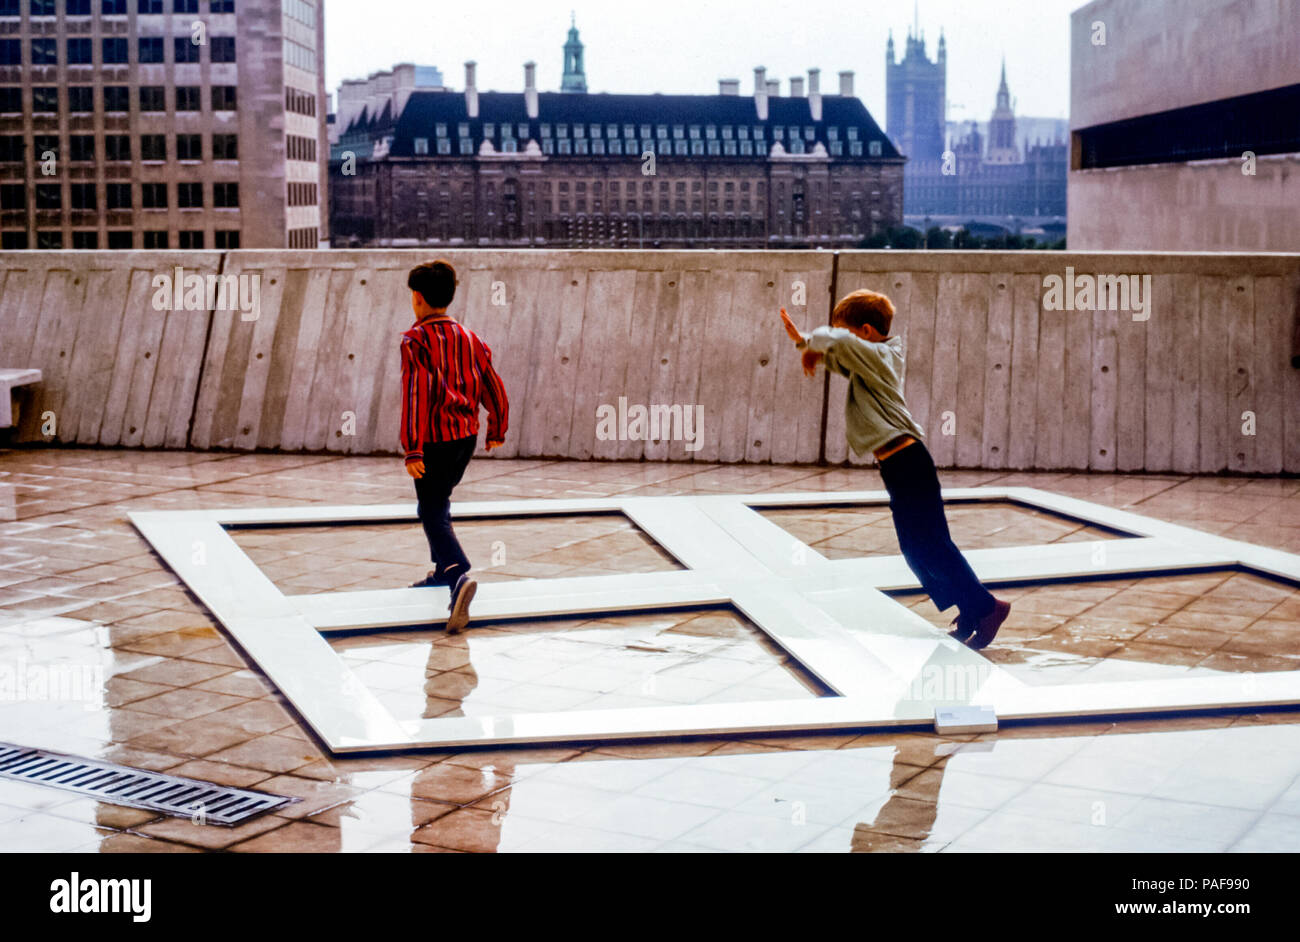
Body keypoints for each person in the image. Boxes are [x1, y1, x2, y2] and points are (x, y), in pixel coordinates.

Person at [781, 292, 1010, 649]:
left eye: (850, 332)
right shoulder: (873, 359)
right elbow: (842, 358)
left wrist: (810, 341)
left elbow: (839, 342)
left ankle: (987, 608)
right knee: (915, 549)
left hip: (909, 463)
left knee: (932, 545)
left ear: (868, 331)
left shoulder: (882, 357)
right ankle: (970, 609)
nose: (845, 339)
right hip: (898, 467)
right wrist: (807, 348)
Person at [400, 260, 508, 633]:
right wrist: (497, 425)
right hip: (466, 439)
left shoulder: (416, 342)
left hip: (433, 440)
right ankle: (439, 571)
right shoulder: (471, 337)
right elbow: (493, 385)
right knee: (439, 502)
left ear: (417, 298)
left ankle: (457, 574)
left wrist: (412, 449)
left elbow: (416, 396)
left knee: (430, 511)